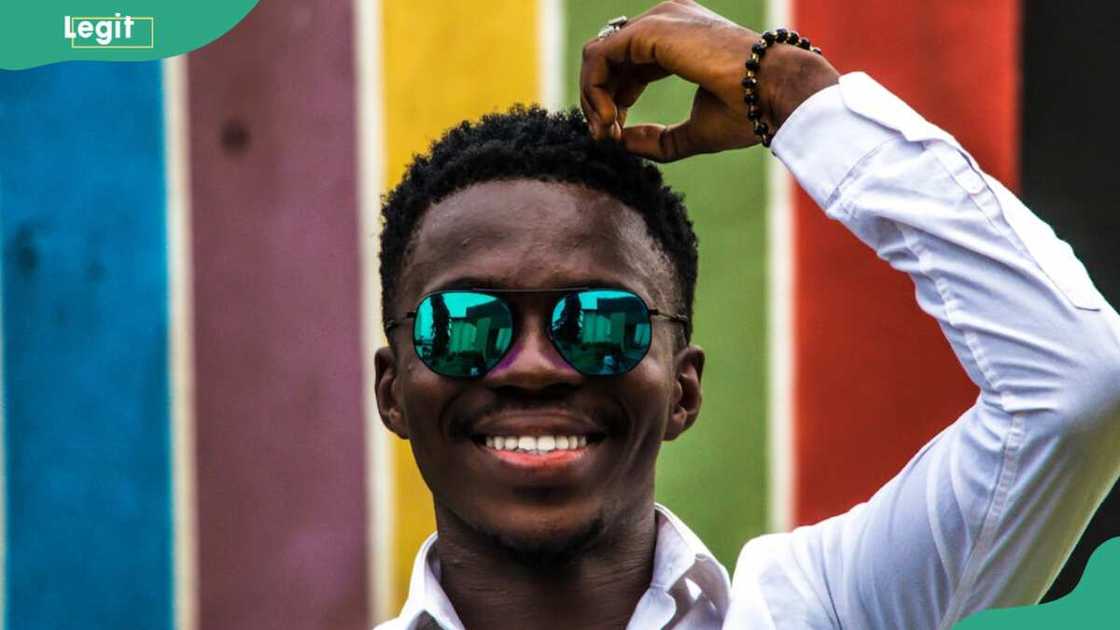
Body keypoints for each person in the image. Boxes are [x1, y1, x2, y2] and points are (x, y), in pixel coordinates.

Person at [372, 1, 1120, 628]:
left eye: (599, 322)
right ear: (393, 390)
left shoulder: (825, 611)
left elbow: (1078, 382)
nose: (533, 365)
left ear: (683, 390)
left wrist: (795, 91)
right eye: (464, 326)